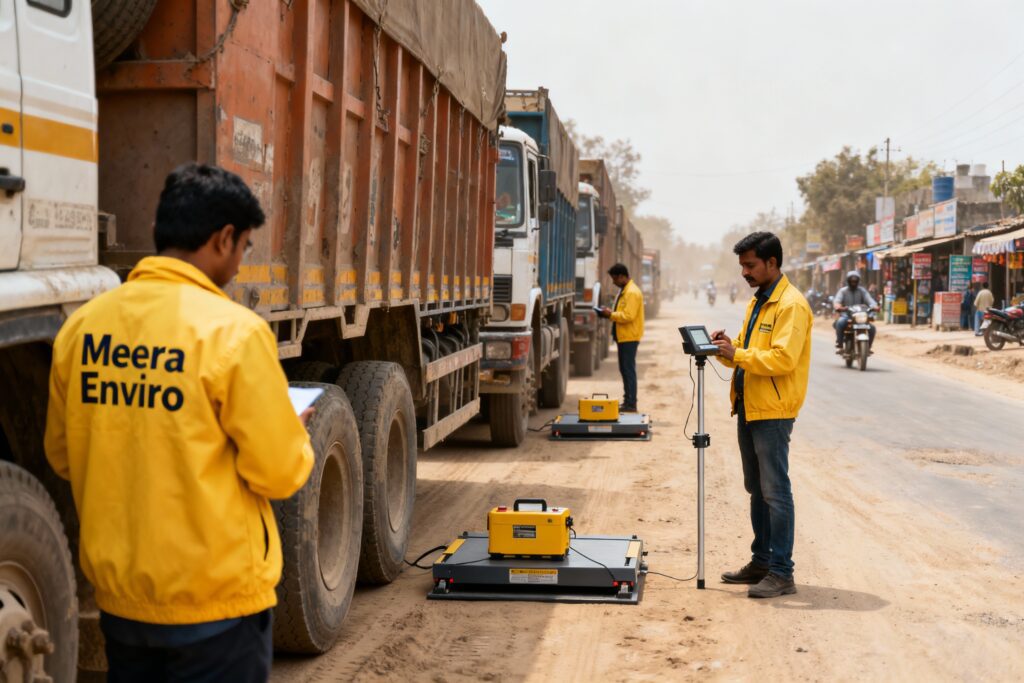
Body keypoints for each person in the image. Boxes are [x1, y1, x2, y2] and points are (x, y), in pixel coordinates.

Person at [45, 163, 315, 681]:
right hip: (216, 610)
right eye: (245, 247)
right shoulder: (234, 334)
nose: (239, 262)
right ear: (224, 238)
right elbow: (279, 473)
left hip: (123, 607)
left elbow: (63, 455)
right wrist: (291, 428)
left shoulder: (82, 327)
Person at [710, 231, 812, 598]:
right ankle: (762, 561)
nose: (744, 272)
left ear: (772, 263)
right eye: (742, 266)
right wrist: (727, 347)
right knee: (756, 489)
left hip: (773, 410)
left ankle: (782, 572)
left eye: (750, 265)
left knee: (775, 492)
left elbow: (783, 359)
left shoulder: (791, 305)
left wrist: (737, 355)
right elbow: (750, 349)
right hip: (749, 406)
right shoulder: (759, 302)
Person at [599, 263, 644, 412]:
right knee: (625, 369)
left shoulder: (632, 292)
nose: (613, 282)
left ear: (621, 276)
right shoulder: (625, 290)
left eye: (614, 279)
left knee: (628, 369)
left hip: (629, 336)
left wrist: (610, 314)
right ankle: (628, 401)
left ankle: (631, 403)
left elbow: (628, 316)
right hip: (624, 336)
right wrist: (609, 312)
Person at [833, 271, 878, 350]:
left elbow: (870, 300)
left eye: (855, 281)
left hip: (860, 316)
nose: (853, 282)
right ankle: (839, 343)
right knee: (839, 323)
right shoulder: (843, 291)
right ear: (848, 281)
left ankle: (868, 347)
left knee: (872, 328)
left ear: (858, 281)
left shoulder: (862, 291)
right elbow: (837, 301)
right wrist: (838, 306)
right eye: (852, 281)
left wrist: (875, 306)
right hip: (846, 315)